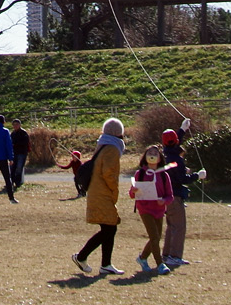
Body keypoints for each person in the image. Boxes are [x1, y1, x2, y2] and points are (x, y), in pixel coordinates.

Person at [71, 118, 125, 277]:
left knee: (108, 228)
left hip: (96, 191)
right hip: (103, 192)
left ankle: (105, 264)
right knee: (110, 227)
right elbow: (109, 173)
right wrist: (114, 191)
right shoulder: (113, 148)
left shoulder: (102, 146)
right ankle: (82, 257)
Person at [159, 126, 200, 268]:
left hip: (167, 197)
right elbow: (183, 179)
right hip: (175, 197)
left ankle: (166, 255)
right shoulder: (177, 159)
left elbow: (172, 143)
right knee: (179, 227)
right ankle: (175, 256)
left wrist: (183, 129)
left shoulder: (166, 155)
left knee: (171, 226)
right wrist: (197, 176)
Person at [129, 143, 173, 274]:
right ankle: (160, 265)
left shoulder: (164, 176)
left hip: (159, 210)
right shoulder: (140, 174)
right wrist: (134, 190)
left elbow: (169, 196)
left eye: (155, 154)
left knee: (156, 237)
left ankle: (142, 258)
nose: (152, 156)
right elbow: (132, 194)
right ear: (145, 157)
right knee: (154, 237)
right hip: (144, 209)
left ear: (160, 158)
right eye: (150, 153)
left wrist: (163, 201)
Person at [9, 119, 30, 190]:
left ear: (20, 125)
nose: (15, 126)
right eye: (14, 125)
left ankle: (18, 182)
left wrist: (16, 144)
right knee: (12, 168)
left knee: (19, 168)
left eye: (16, 124)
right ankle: (11, 181)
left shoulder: (24, 133)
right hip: (14, 153)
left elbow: (25, 143)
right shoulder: (13, 134)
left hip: (21, 153)